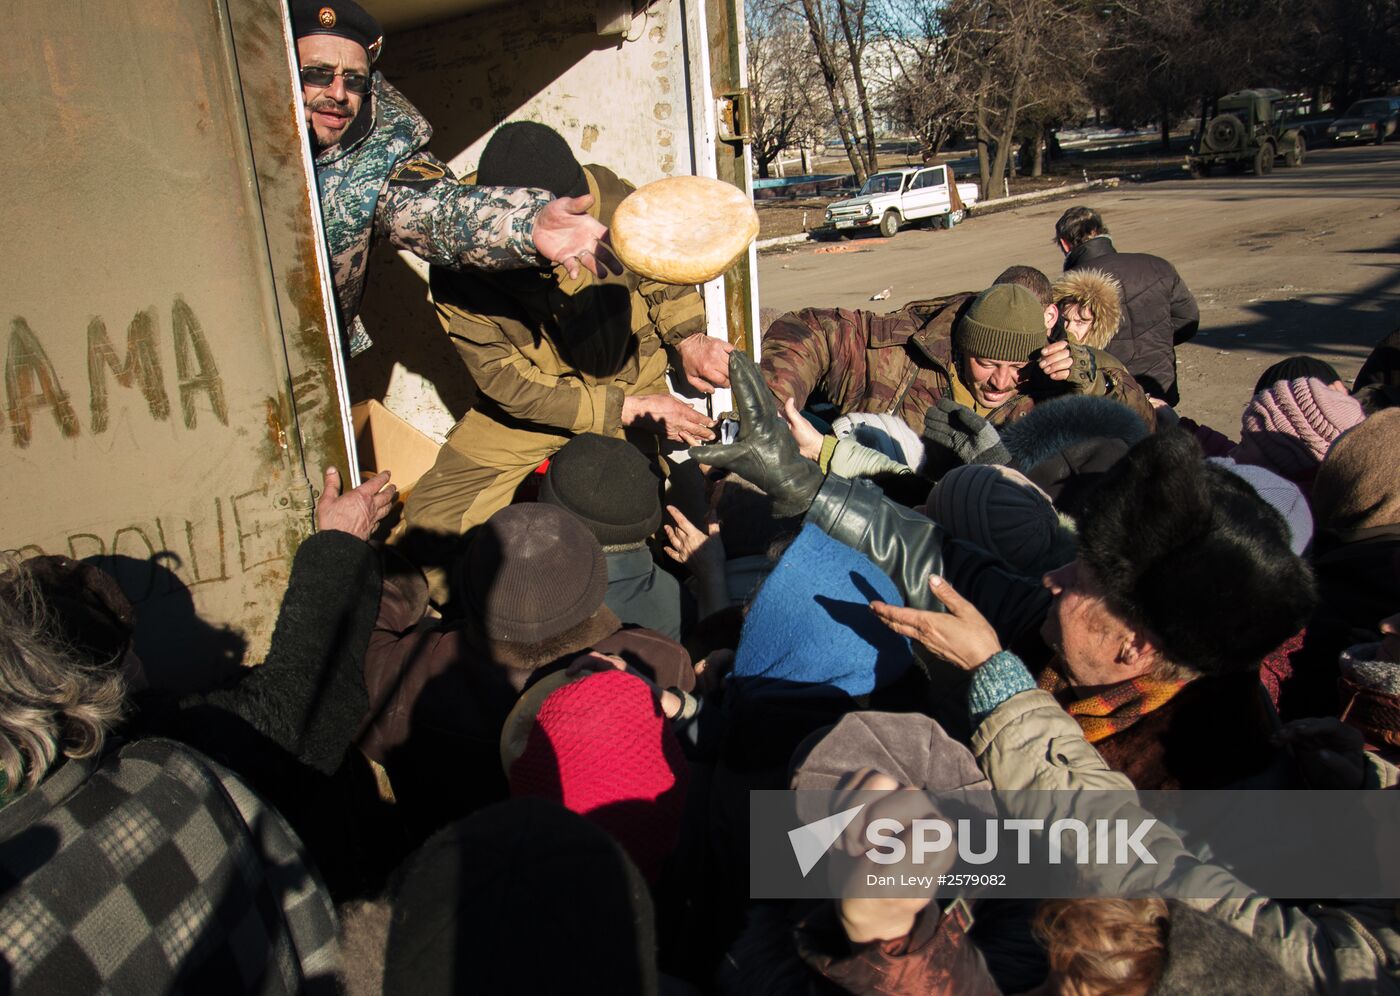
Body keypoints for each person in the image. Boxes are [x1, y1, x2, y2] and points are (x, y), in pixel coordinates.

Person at [398, 123, 726, 599]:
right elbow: (505, 383)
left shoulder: (607, 197)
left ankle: (675, 616)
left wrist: (688, 337)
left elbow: (663, 273)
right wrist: (622, 410)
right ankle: (484, 634)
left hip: (632, 375)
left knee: (676, 515)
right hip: (534, 404)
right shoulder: (461, 258)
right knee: (433, 520)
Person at [292, 0, 613, 356]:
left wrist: (527, 224)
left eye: (354, 80)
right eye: (318, 74)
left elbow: (437, 211)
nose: (338, 94)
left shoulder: (381, 146)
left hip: (312, 358)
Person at [763, 272, 1156, 443]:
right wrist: (774, 413)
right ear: (962, 347)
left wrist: (1095, 385)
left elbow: (1142, 429)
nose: (1001, 382)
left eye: (1018, 368)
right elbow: (811, 330)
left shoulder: (1065, 377)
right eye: (986, 363)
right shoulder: (903, 350)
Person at [1054, 206, 1199, 407]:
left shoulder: (1069, 286)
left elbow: (1066, 345)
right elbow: (1188, 321)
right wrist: (1157, 342)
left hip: (1108, 392)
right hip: (1160, 387)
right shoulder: (1157, 266)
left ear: (1064, 243)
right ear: (1102, 232)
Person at [1051, 268, 1122, 348]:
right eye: (1064, 319)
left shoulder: (1104, 360)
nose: (1069, 328)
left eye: (1080, 322)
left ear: (1096, 328)